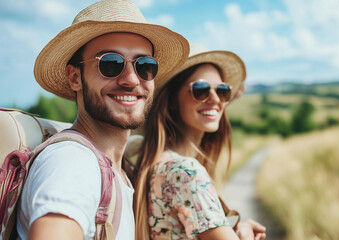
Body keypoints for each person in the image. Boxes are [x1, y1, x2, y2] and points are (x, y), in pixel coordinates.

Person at [16, 0, 189, 239]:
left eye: (145, 65)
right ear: (74, 77)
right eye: (110, 63)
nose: (131, 79)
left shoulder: (121, 172)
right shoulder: (72, 163)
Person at [133, 45, 267, 240]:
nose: (215, 99)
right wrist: (244, 233)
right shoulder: (187, 172)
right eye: (201, 89)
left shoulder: (151, 160)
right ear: (171, 100)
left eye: (222, 91)